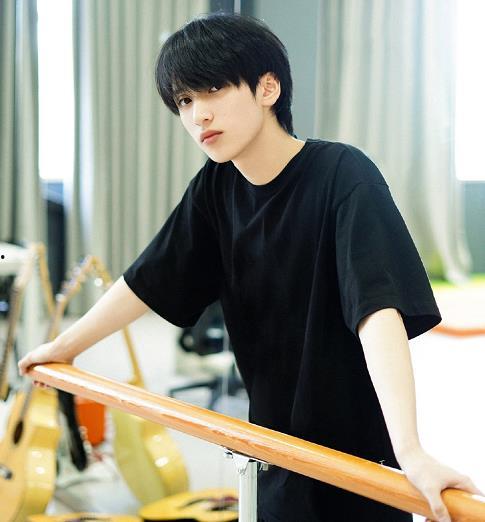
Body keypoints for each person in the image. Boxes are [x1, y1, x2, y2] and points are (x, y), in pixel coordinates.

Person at [19, 12, 481, 522]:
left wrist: (411, 451)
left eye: (213, 89)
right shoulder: (215, 188)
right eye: (184, 101)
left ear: (267, 88)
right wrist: (64, 348)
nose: (198, 115)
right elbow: (148, 278)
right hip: (272, 446)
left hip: (355, 459)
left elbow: (376, 310)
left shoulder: (343, 174)